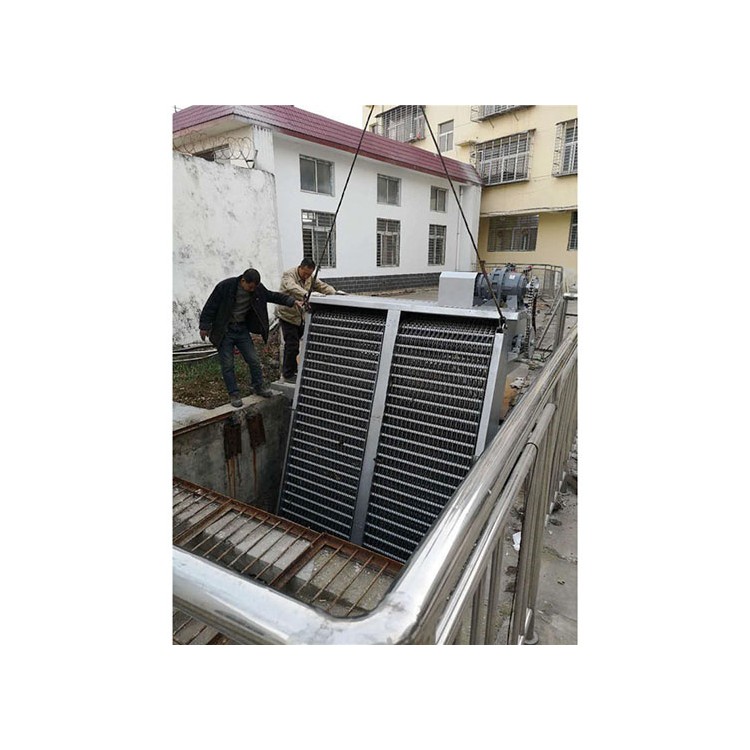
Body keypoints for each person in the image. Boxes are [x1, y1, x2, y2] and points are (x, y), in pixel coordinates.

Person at [199, 268, 304, 407]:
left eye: (254, 287)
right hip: (225, 330)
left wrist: (292, 301)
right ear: (243, 280)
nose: (252, 290)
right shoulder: (226, 286)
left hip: (241, 329)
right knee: (228, 364)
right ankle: (234, 393)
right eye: (250, 287)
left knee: (253, 360)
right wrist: (204, 326)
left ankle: (258, 386)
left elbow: (272, 296)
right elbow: (210, 306)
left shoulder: (257, 289)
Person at [275, 258, 343, 383]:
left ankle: (295, 370)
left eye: (309, 274)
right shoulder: (288, 275)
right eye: (305, 273)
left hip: (300, 316)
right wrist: (307, 294)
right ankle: (288, 374)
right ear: (300, 267)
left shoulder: (310, 277)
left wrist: (334, 293)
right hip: (287, 316)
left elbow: (321, 286)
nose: (306, 276)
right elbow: (292, 287)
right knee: (292, 345)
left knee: (303, 344)